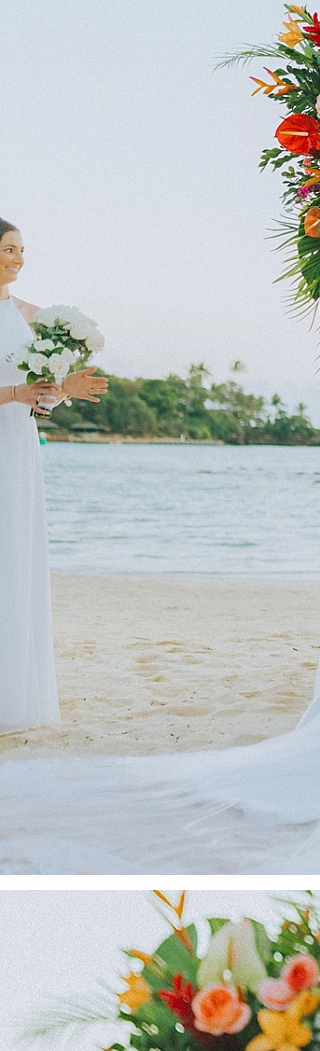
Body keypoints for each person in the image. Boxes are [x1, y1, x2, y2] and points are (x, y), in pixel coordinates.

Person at [0, 217, 107, 734]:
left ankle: (15, 698)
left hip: (17, 445)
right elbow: (14, 388)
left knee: (16, 556)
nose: (16, 258)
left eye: (21, 249)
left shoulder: (28, 314)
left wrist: (60, 390)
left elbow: (40, 390)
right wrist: (15, 395)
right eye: (7, 249)